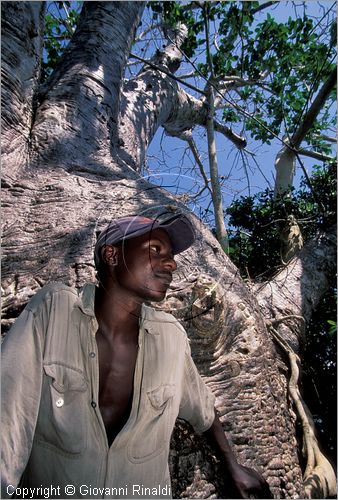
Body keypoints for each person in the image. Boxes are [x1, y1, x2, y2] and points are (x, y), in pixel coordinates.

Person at [1, 213, 272, 499]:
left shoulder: (171, 338)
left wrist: (232, 466)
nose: (171, 263)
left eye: (170, 256)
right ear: (112, 255)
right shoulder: (53, 310)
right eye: (155, 249)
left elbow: (204, 411)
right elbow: (8, 418)